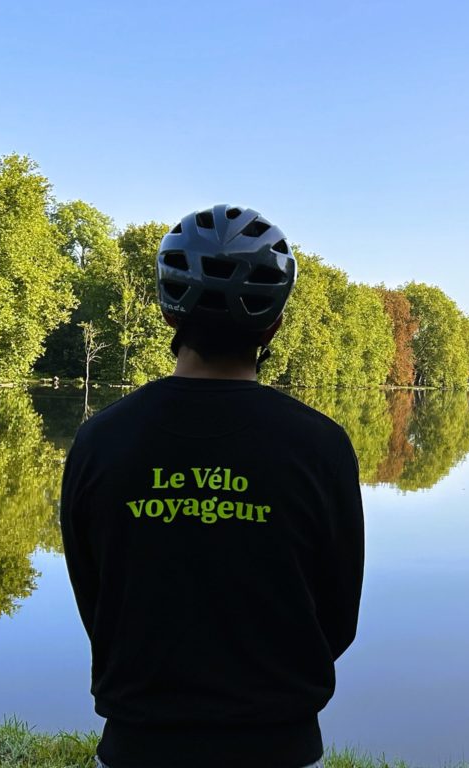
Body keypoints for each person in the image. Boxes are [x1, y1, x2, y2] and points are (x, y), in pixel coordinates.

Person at [60, 205, 365, 768]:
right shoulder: (320, 446)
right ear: (274, 322)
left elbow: (94, 597)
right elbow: (338, 618)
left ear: (167, 312)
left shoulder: (100, 440)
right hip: (280, 744)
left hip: (138, 742)